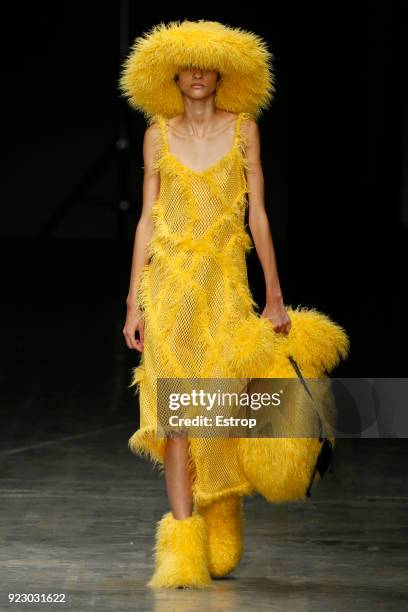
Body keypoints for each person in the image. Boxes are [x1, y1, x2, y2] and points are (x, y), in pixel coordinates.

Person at [119, 19, 349, 589]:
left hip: (224, 287)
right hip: (169, 289)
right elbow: (147, 220)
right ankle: (181, 542)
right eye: (187, 65)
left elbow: (259, 216)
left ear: (222, 72)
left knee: (219, 409)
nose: (197, 74)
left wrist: (274, 292)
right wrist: (132, 301)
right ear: (173, 73)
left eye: (207, 65)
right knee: (176, 417)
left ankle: (223, 509)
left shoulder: (245, 130)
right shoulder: (156, 134)